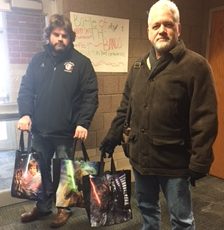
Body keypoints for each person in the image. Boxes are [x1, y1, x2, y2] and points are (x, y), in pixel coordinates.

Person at [100, 0, 218, 229]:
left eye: (168, 24)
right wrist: (112, 136)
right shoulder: (138, 67)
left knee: (181, 219)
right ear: (148, 32)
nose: (161, 30)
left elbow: (205, 118)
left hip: (174, 162)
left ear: (178, 29)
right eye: (155, 26)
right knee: (147, 210)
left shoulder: (196, 66)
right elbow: (126, 107)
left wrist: (200, 160)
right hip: (141, 157)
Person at [17, 14, 98, 228]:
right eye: (56, 35)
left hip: (65, 132)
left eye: (64, 35)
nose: (60, 39)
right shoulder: (37, 61)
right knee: (39, 173)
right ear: (48, 36)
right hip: (40, 131)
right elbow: (26, 88)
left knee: (65, 173)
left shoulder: (81, 63)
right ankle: (42, 207)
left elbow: (90, 96)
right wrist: (25, 113)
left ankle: (64, 209)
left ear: (71, 38)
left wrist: (83, 122)